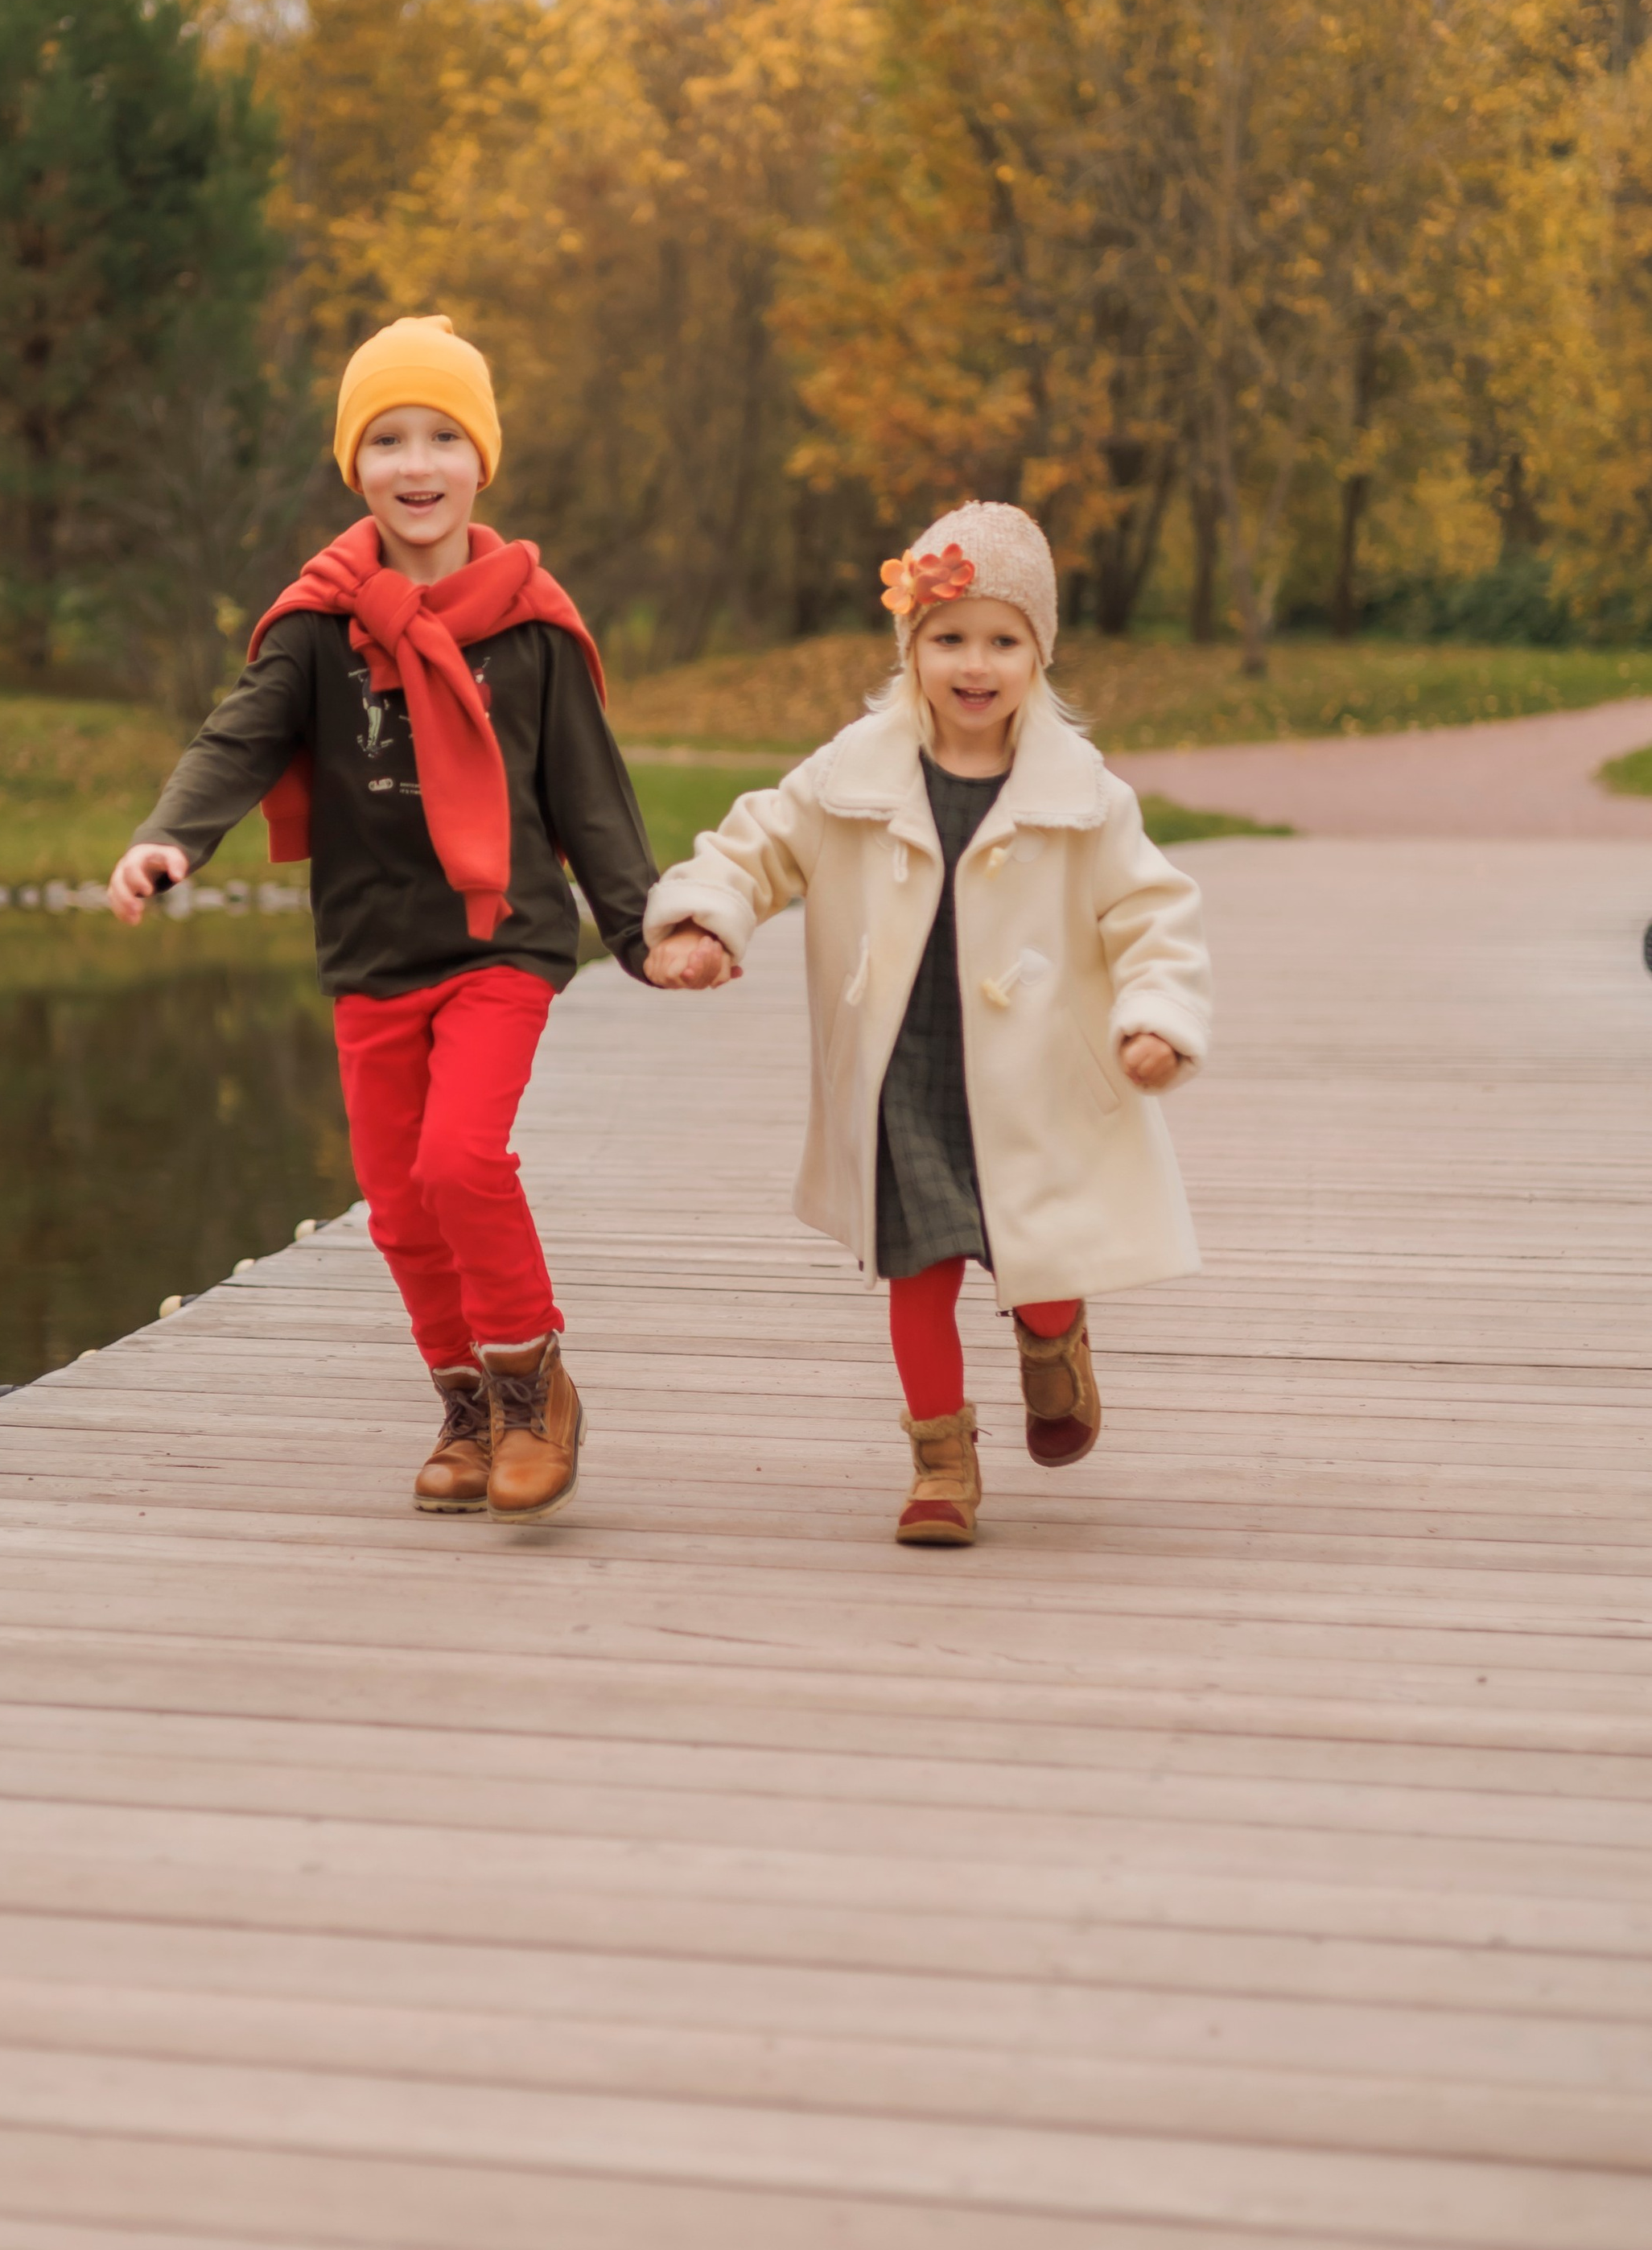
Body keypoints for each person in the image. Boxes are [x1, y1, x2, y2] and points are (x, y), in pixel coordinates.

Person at [109, 313, 659, 1524]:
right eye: (390, 439)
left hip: (502, 938)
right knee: (398, 1205)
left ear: (482, 462)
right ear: (355, 464)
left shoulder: (531, 624)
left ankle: (531, 1390)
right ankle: (462, 1406)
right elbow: (235, 740)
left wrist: (645, 929)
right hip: (371, 952)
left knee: (462, 1163)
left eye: (444, 437)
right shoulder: (318, 626)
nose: (418, 465)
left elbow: (590, 794)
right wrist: (169, 837)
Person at [642, 503, 1211, 1547]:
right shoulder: (852, 775)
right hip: (904, 1065)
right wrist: (703, 922)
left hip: (1034, 1076)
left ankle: (1054, 1339)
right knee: (920, 1269)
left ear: (1039, 654)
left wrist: (1157, 1014)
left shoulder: (1082, 795)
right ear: (912, 649)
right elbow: (754, 845)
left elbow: (1150, 913)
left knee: (1037, 1267)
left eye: (1003, 640)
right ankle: (941, 1466)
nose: (975, 665)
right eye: (949, 639)